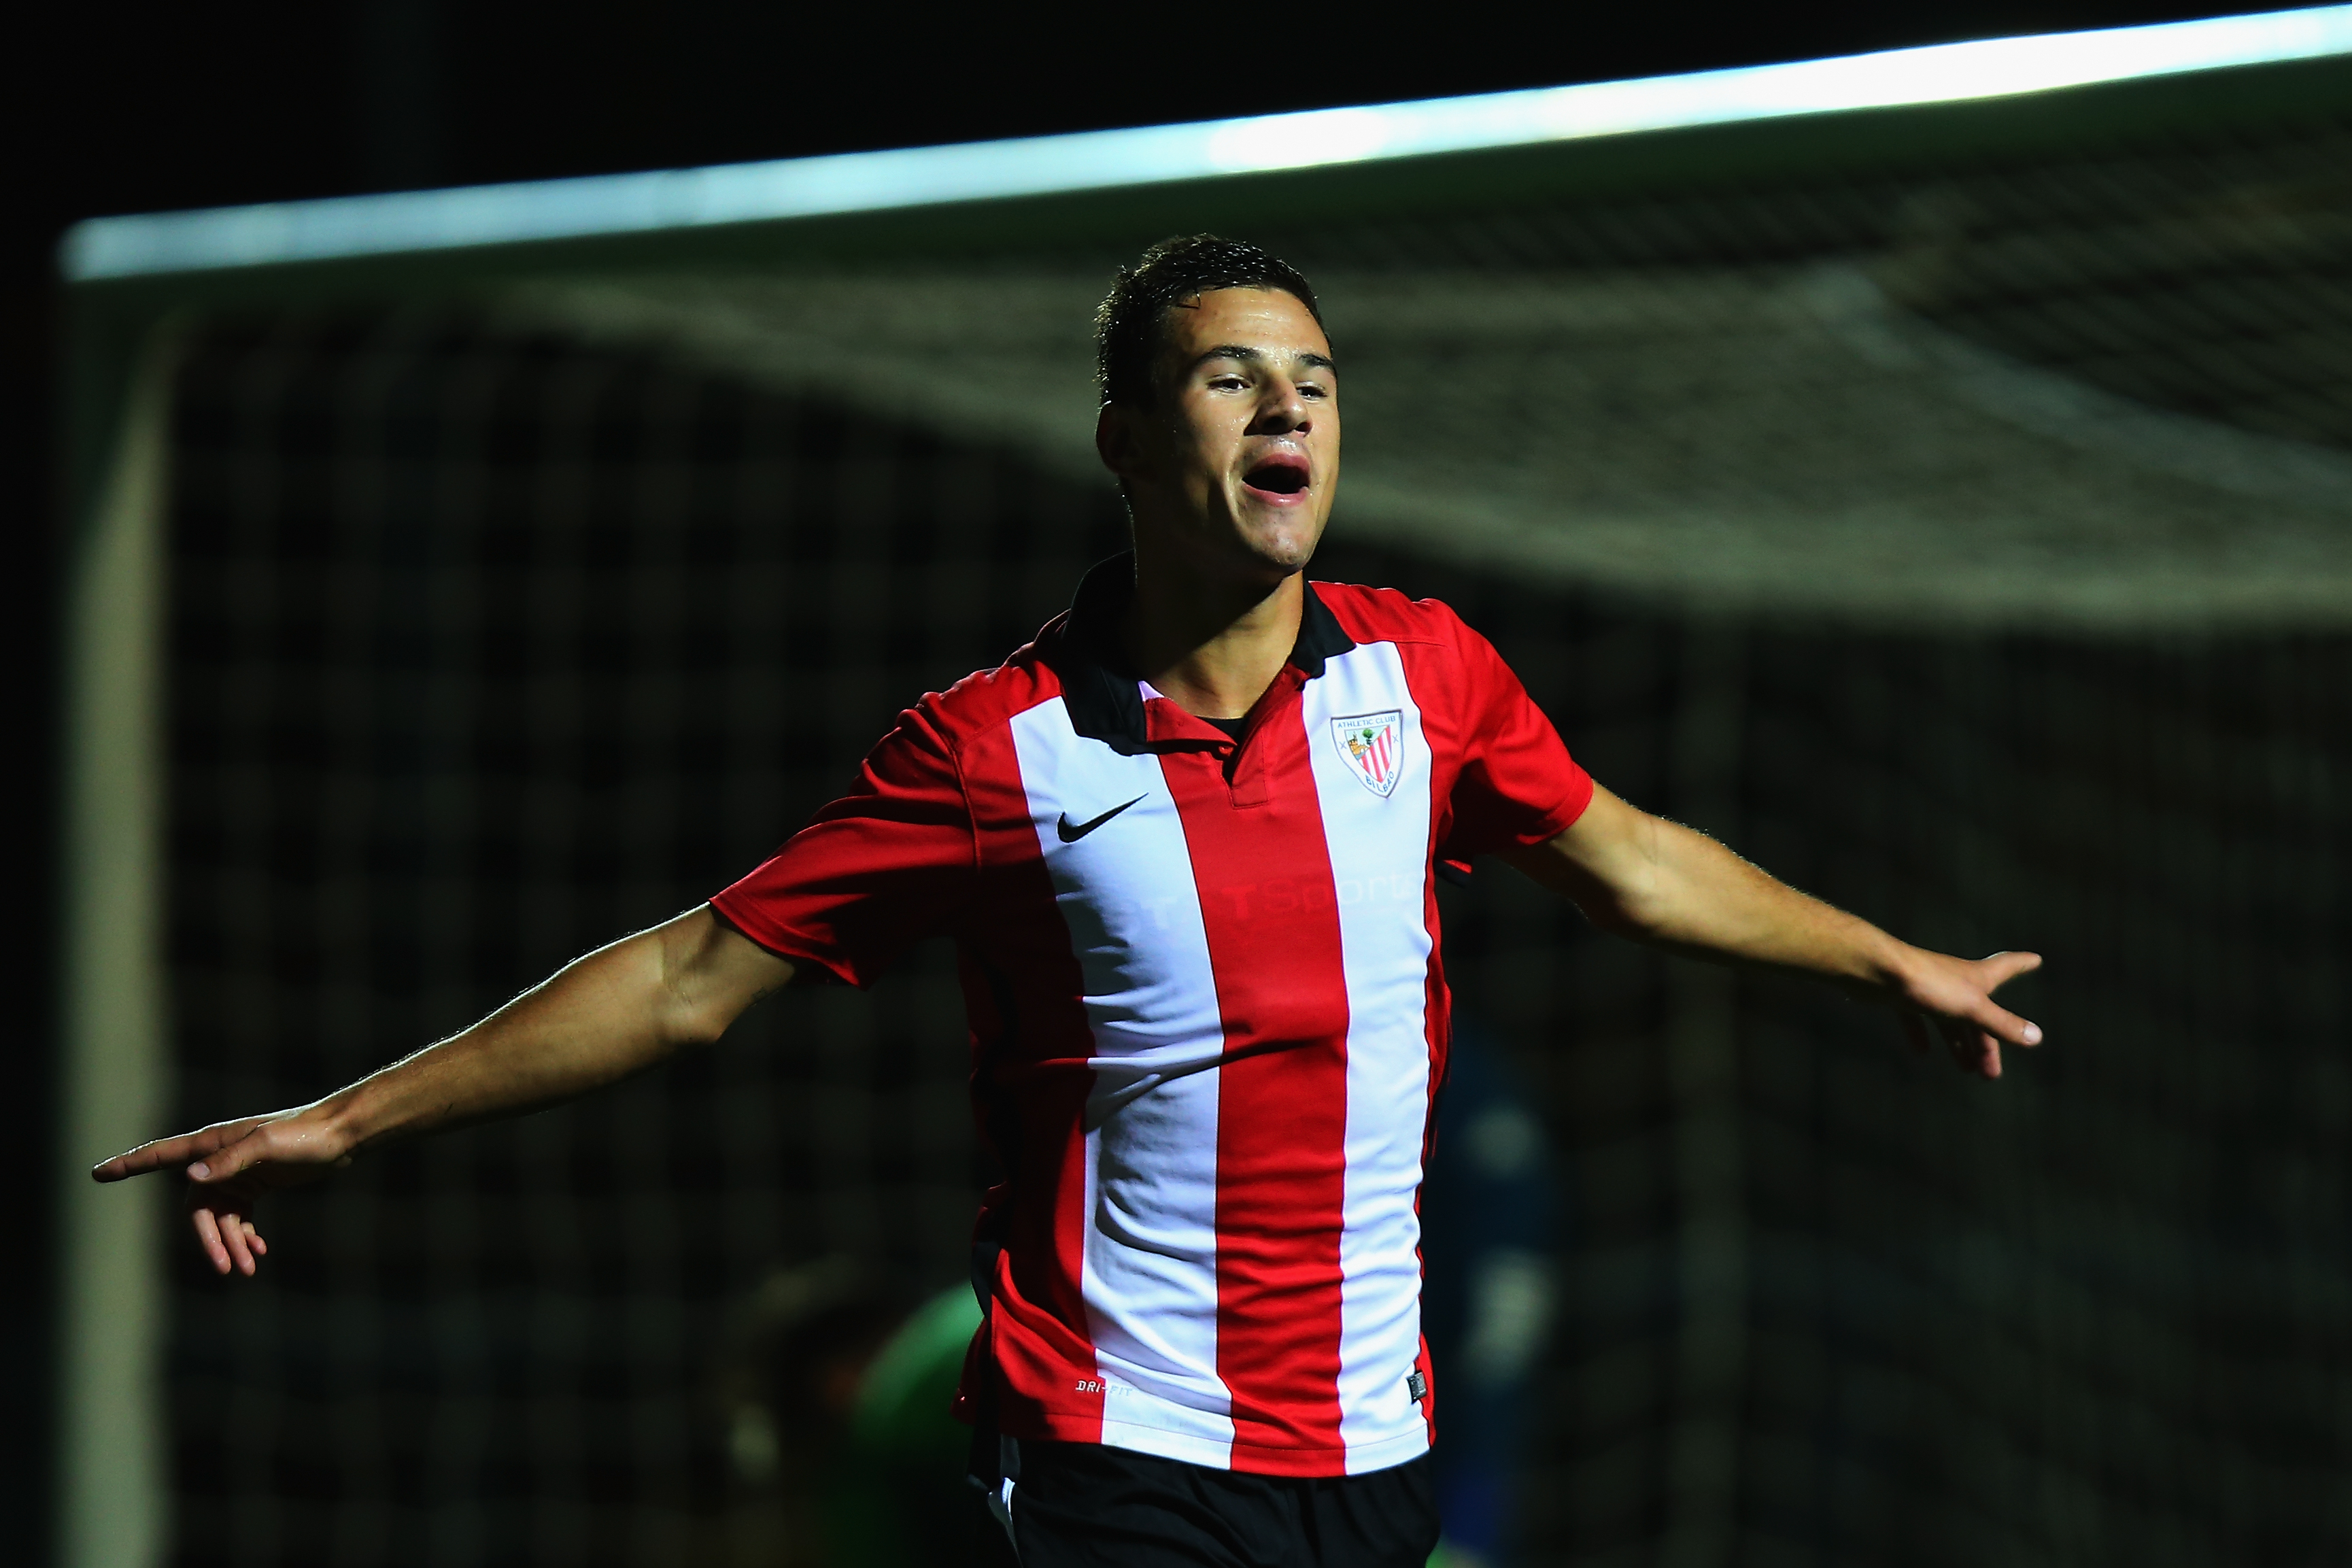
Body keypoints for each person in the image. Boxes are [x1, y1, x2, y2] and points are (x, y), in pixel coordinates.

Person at [97, 235, 2043, 1567]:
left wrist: (1889, 958)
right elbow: (692, 977)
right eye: (1230, 378)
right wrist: (343, 1115)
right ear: (1130, 440)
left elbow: (1629, 856)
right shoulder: (992, 747)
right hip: (1115, 1458)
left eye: (1314, 382)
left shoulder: (1426, 676)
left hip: (1371, 1460)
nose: (1288, 413)